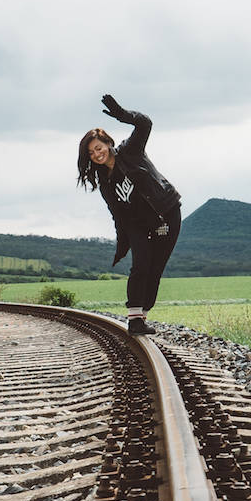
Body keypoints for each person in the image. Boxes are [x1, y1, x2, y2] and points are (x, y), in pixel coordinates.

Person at [76, 95, 181, 335]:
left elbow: (145, 124)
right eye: (91, 153)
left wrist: (123, 114)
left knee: (155, 268)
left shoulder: (130, 151)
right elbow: (118, 215)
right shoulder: (104, 182)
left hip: (166, 213)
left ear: (108, 143)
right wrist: (122, 243)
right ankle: (134, 320)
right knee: (140, 265)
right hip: (137, 224)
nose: (96, 154)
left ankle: (142, 316)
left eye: (98, 148)